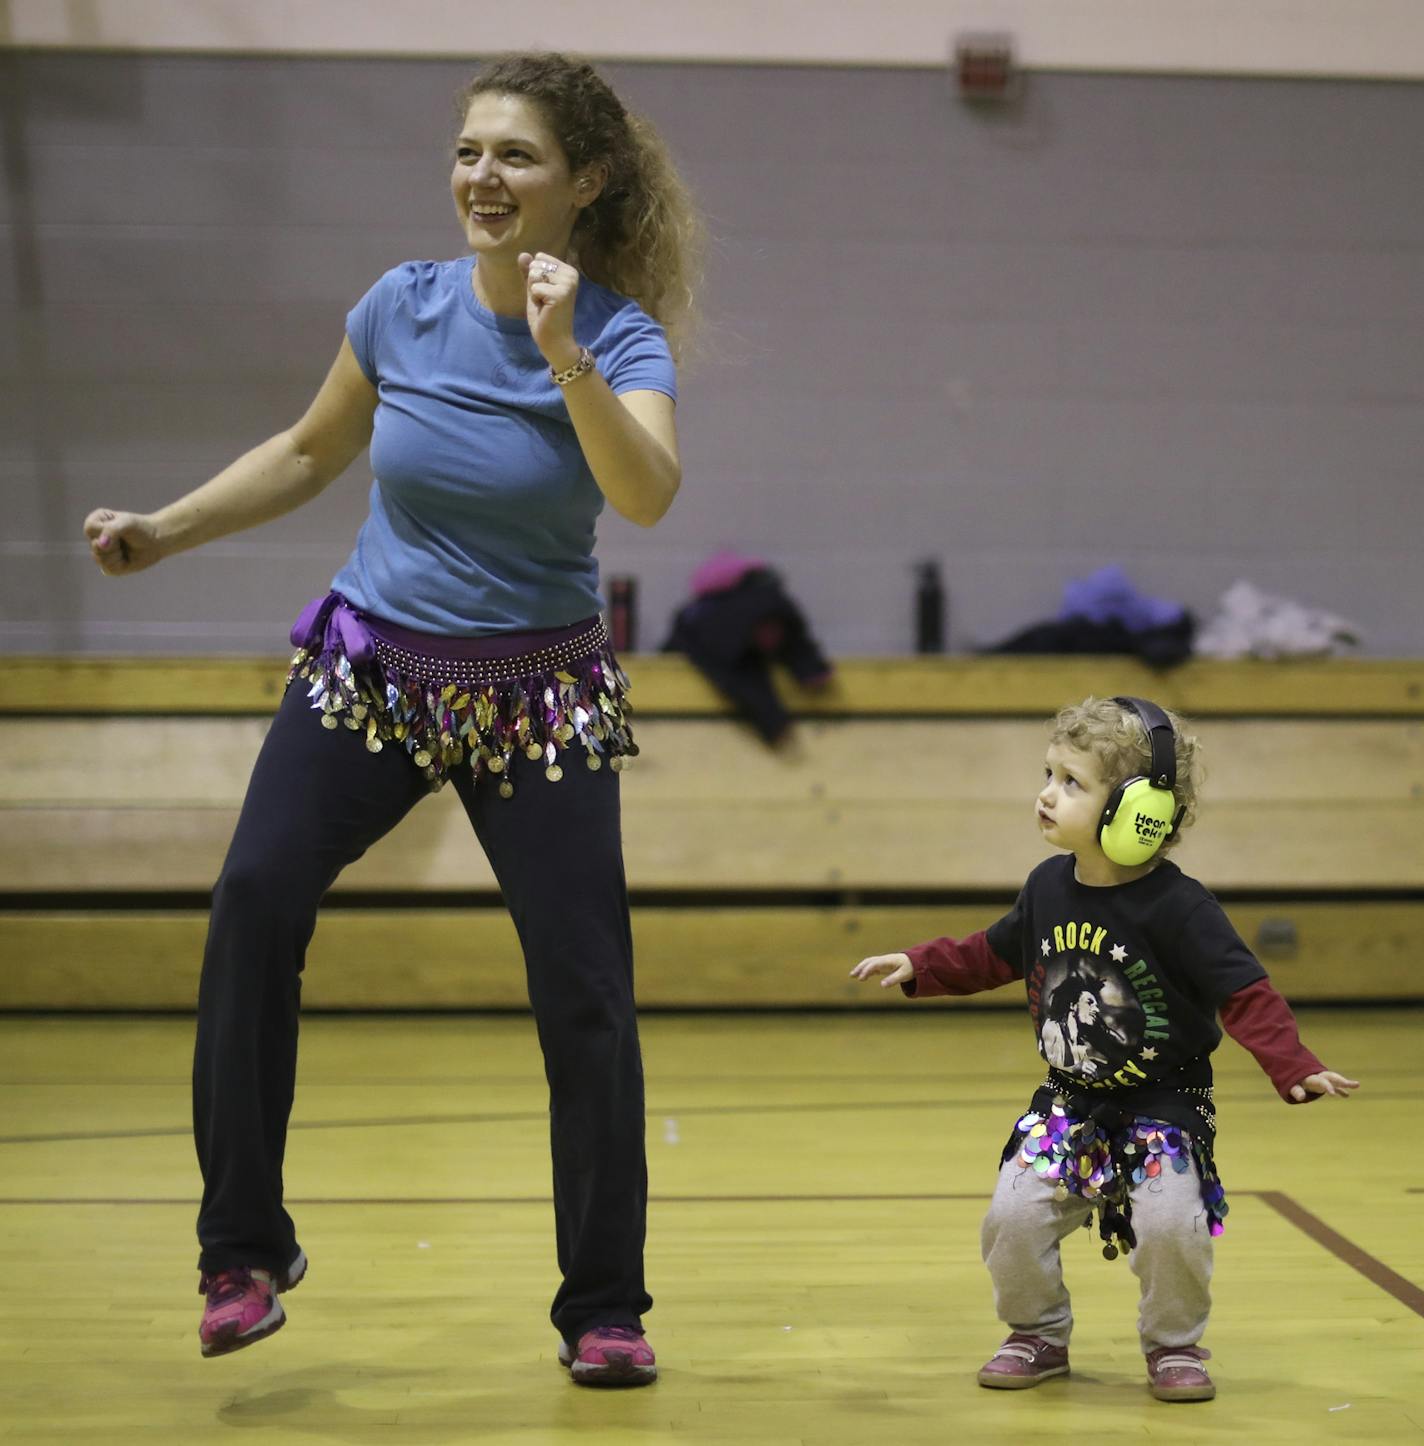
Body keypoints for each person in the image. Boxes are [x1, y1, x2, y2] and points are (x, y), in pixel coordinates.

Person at [83, 51, 704, 1386]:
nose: (484, 176)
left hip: (538, 696)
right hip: (374, 671)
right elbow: (311, 451)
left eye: (517, 155)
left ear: (582, 182)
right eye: (470, 150)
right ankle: (240, 1248)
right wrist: (163, 529)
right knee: (254, 896)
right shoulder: (398, 307)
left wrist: (564, 357)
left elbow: (645, 494)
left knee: (586, 989)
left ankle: (603, 1304)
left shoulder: (617, 334)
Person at [850, 695, 1358, 1403]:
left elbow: (1245, 992)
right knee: (1013, 1216)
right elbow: (993, 952)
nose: (1046, 794)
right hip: (1070, 1103)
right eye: (1049, 774)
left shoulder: (1181, 909)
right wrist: (920, 964)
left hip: (1163, 1107)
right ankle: (1037, 1333)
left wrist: (1293, 1065)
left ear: (1137, 812)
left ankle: (1175, 1346)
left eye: (1071, 783)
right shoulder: (1047, 887)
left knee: (1171, 1226)